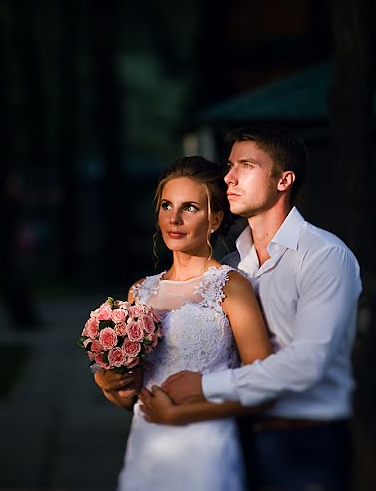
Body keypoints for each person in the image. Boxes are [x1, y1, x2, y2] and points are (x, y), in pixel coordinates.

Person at [155, 124, 363, 491]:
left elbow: (307, 365)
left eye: (246, 165)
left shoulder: (324, 256)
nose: (229, 176)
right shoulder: (232, 266)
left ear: (284, 180)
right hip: (233, 435)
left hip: (305, 443)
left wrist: (205, 386)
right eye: (230, 164)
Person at [93, 156, 274, 491]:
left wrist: (180, 415)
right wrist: (108, 384)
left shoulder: (231, 287)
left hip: (205, 446)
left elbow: (264, 387)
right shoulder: (140, 291)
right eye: (166, 205)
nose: (173, 219)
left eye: (189, 207)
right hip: (147, 447)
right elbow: (132, 397)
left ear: (216, 218)